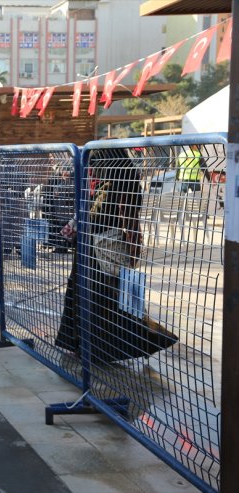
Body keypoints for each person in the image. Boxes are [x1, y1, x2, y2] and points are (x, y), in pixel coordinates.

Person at [55, 148, 177, 363]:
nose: (91, 169)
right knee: (91, 302)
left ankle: (96, 351)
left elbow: (100, 217)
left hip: (105, 254)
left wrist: (80, 219)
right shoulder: (107, 183)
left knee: (107, 305)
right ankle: (84, 348)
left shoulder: (117, 185)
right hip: (92, 252)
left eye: (94, 164)